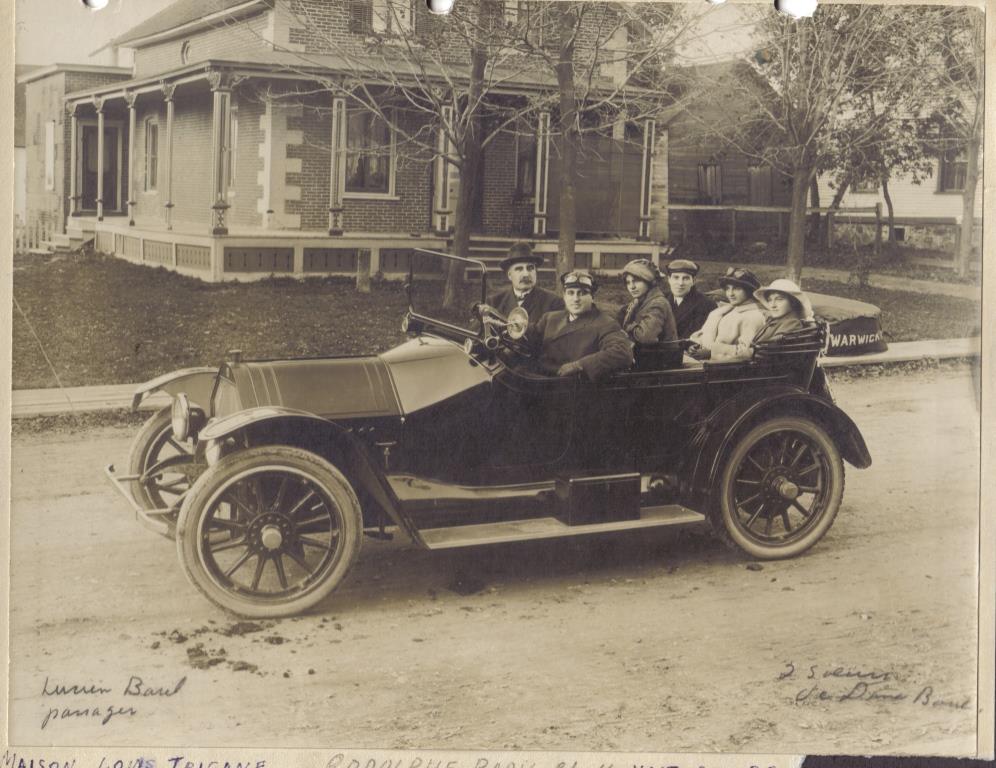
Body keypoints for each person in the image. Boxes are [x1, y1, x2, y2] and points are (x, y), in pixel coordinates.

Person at [524, 270, 634, 382]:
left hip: (568, 386)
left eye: (582, 293)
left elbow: (622, 352)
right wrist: (514, 329)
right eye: (571, 293)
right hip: (538, 378)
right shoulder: (550, 318)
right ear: (564, 296)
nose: (576, 299)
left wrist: (579, 365)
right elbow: (531, 334)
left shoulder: (605, 323)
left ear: (592, 297)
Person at [688, 267, 765, 361]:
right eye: (728, 289)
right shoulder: (726, 310)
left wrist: (711, 353)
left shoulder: (754, 316)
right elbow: (709, 335)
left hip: (726, 368)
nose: (730, 294)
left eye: (737, 289)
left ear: (749, 291)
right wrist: (697, 345)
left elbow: (748, 352)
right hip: (708, 363)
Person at [486, 241, 564, 320]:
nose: (526, 274)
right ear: (510, 275)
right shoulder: (494, 303)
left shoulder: (553, 303)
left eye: (530, 268)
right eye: (519, 269)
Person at [616, 258, 678, 344]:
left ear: (649, 282)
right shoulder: (639, 301)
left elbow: (646, 336)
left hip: (663, 355)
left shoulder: (657, 303)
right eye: (628, 282)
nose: (632, 287)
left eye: (636, 281)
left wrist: (627, 327)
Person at [752, 278, 814, 345]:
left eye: (779, 299)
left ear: (793, 302)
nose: (772, 305)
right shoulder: (775, 320)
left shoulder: (791, 323)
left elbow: (768, 349)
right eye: (769, 300)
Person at [664, 259, 716, 338]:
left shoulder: (706, 304)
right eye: (676, 277)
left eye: (686, 278)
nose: (680, 283)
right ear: (669, 280)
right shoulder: (662, 299)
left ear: (693, 281)